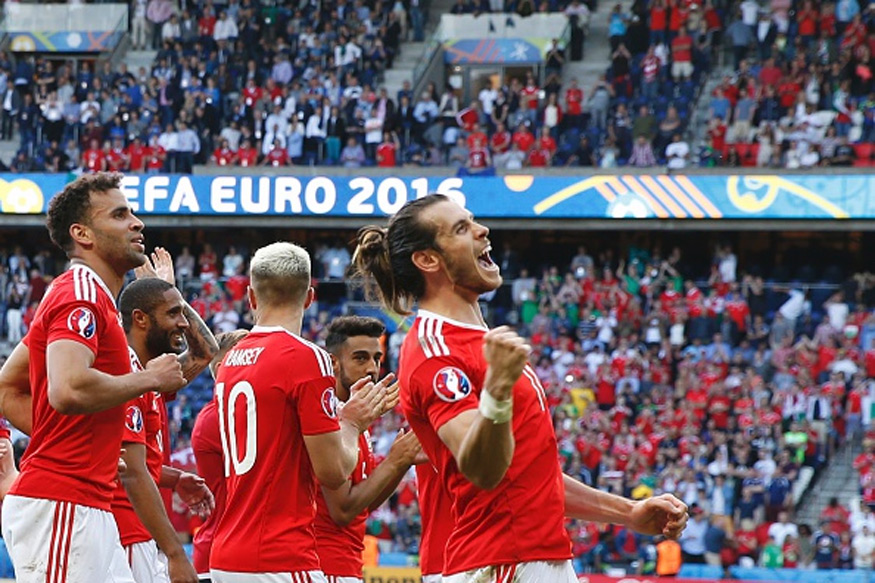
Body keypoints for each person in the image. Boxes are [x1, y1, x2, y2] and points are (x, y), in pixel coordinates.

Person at [352, 194, 688, 582]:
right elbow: (483, 469)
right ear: (429, 260)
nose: (482, 230)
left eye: (472, 220)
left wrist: (627, 512)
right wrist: (496, 392)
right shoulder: (435, 349)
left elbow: (529, 477)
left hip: (528, 558)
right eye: (462, 228)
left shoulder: (477, 343)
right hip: (501, 564)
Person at [1, 172, 186, 583]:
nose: (137, 222)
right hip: (64, 500)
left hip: (85, 501)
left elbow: (7, 388)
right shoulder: (81, 292)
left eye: (133, 212)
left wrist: (70, 438)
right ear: (82, 234)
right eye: (120, 215)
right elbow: (67, 389)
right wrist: (148, 379)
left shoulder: (89, 295)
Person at [210, 242, 393, 583]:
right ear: (310, 297)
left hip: (227, 552)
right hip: (280, 554)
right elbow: (333, 472)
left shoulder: (230, 361)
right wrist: (352, 423)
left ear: (251, 297)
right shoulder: (306, 358)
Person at [114, 248, 220, 583]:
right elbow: (129, 470)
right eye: (173, 313)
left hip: (143, 531)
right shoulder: (123, 376)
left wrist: (174, 478)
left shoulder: (152, 376)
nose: (183, 322)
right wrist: (176, 553)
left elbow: (206, 352)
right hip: (125, 530)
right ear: (141, 319)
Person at [315, 316, 426, 583]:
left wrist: (402, 462)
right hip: (324, 565)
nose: (372, 369)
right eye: (360, 358)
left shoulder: (356, 419)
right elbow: (342, 511)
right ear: (333, 362)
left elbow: (364, 503)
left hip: (345, 563)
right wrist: (395, 463)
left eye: (376, 359)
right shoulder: (329, 418)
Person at [191, 330, 250, 582]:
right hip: (222, 556)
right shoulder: (216, 418)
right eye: (245, 358)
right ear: (220, 367)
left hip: (237, 550)